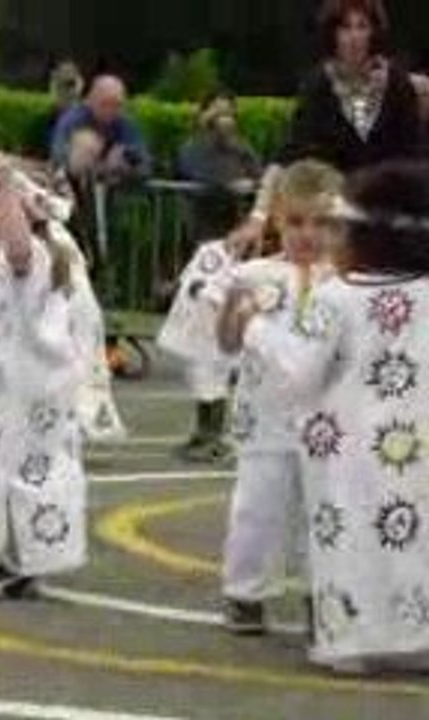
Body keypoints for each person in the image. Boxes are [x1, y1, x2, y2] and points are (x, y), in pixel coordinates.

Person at [221, 160, 429, 672]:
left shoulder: (338, 297)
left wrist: (254, 328)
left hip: (347, 447)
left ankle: (352, 639)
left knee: (351, 532)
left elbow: (300, 373)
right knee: (411, 533)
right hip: (414, 441)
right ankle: (415, 634)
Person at [0, 147, 90, 602]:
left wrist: (7, 186)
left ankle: (18, 563)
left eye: (0, 205)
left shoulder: (32, 258)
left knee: (12, 473)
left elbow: (17, 242)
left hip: (21, 394)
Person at [216, 160, 344, 635]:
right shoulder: (252, 274)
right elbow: (227, 344)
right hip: (264, 420)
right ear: (276, 220)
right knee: (256, 509)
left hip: (327, 424)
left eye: (322, 223)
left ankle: (322, 594)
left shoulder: (346, 282)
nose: (308, 234)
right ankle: (245, 592)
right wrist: (232, 311)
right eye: (296, 222)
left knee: (325, 513)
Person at [232, 0, 420, 251]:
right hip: (334, 219)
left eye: (361, 26)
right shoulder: (318, 85)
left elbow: (414, 156)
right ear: (333, 34)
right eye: (345, 27)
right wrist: (257, 217)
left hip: (389, 215)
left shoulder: (397, 83)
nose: (354, 37)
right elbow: (290, 154)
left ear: (373, 32)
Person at [157, 238, 241, 464]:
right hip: (202, 328)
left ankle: (214, 439)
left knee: (214, 383)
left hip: (218, 329)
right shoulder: (210, 250)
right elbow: (191, 280)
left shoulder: (229, 253)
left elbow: (217, 291)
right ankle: (202, 434)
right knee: (201, 381)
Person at [177, 90, 262, 242]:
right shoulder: (192, 146)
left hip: (237, 226)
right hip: (205, 227)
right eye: (218, 113)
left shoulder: (241, 146)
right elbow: (200, 174)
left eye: (228, 113)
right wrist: (231, 185)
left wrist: (252, 183)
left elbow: (258, 174)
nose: (224, 120)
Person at [49, 75, 152, 181]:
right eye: (104, 104)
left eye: (117, 105)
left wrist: (124, 159)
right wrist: (86, 156)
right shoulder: (73, 119)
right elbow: (58, 155)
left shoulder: (125, 123)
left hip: (114, 185)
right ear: (90, 100)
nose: (110, 110)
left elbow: (145, 163)